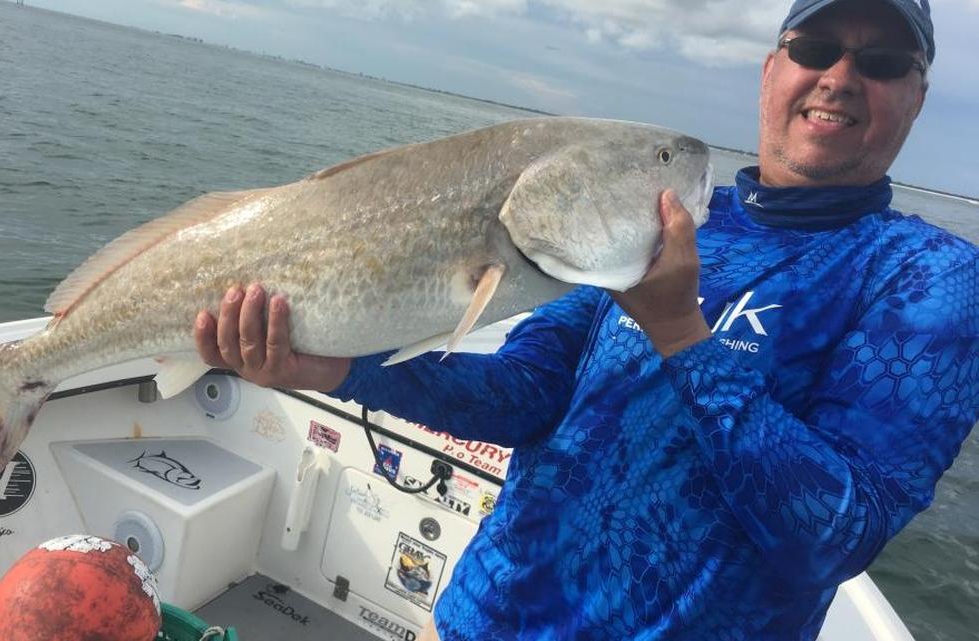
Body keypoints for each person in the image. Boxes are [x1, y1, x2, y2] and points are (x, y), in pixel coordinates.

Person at [193, 0, 979, 638]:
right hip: (481, 619)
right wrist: (337, 368)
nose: (840, 77)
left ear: (916, 96)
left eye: (880, 63)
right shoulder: (656, 221)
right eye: (815, 49)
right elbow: (527, 394)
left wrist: (682, 336)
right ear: (772, 71)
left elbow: (834, 534)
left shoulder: (926, 276)